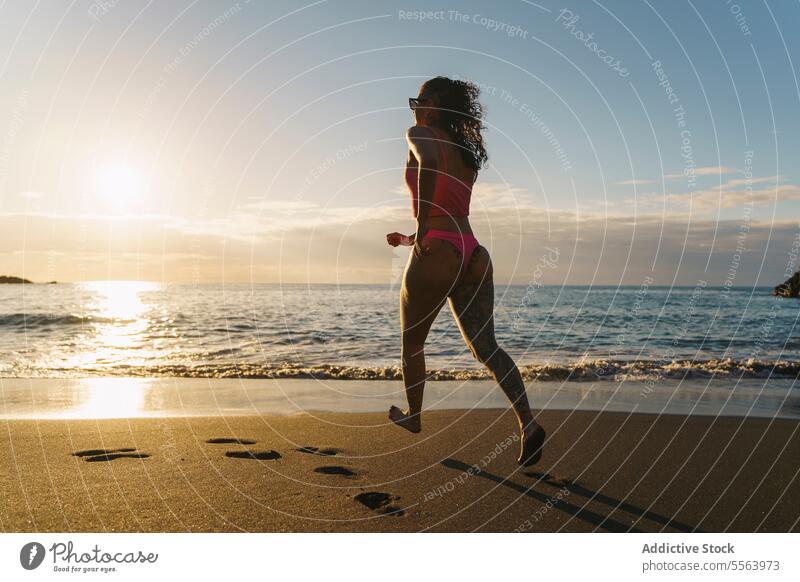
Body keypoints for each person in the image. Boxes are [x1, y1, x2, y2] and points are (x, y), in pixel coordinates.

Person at [386, 76, 546, 466]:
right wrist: (414, 236)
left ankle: (414, 417)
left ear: (434, 105)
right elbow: (451, 202)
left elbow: (428, 169)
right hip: (472, 252)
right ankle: (527, 422)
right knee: (485, 347)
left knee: (412, 343)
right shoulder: (464, 150)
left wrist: (423, 228)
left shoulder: (419, 134)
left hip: (438, 247)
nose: (413, 109)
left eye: (418, 101)